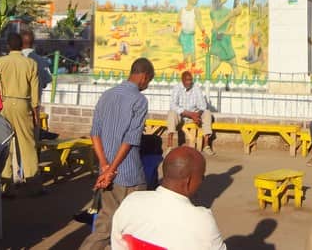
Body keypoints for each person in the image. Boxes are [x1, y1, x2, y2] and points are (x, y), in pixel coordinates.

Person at [79, 57, 154, 250]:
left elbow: (95, 133)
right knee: (133, 230)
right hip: (129, 175)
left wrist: (104, 166)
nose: (147, 85)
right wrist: (111, 169)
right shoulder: (139, 100)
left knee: (104, 227)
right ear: (144, 77)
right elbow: (130, 140)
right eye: (149, 81)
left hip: (107, 173)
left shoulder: (107, 95)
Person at [110, 146, 226, 250]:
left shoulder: (132, 201)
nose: (201, 181)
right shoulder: (202, 221)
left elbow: (118, 244)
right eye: (201, 177)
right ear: (189, 181)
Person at [0, 33, 41, 190]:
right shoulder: (31, 63)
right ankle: (33, 183)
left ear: (8, 46)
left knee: (5, 145)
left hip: (5, 105)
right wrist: (36, 113)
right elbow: (35, 93)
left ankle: (5, 185)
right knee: (28, 144)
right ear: (22, 46)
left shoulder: (0, 62)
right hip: (24, 104)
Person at [168, 71, 215, 153]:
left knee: (207, 113)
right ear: (182, 80)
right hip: (182, 116)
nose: (189, 82)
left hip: (195, 114)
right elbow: (173, 105)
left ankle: (206, 146)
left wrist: (197, 115)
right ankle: (169, 146)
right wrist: (190, 114)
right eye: (187, 80)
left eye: (190, 80)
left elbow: (203, 105)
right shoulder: (177, 88)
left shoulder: (196, 87)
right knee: (171, 113)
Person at [206, 0, 239, 79]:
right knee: (216, 63)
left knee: (234, 63)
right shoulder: (213, 11)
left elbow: (236, 11)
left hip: (226, 41)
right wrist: (229, 16)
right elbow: (216, 25)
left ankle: (239, 82)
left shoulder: (228, 10)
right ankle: (205, 80)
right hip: (218, 41)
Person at [20, 30, 53, 103]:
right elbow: (47, 81)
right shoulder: (42, 61)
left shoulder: (10, 61)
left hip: (13, 104)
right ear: (33, 43)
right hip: (35, 104)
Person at [177, 0, 201, 67]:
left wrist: (203, 31)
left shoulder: (196, 10)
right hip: (183, 35)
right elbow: (178, 22)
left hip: (191, 36)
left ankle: (193, 67)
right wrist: (177, 33)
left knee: (192, 53)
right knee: (185, 53)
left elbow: (199, 22)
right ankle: (185, 65)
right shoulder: (182, 10)